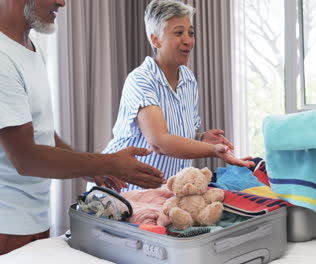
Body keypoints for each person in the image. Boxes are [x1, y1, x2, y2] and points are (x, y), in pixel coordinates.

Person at [0, 0, 166, 255]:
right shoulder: (2, 58)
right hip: (7, 225)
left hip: (34, 220)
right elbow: (25, 158)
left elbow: (42, 134)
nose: (62, 2)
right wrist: (107, 163)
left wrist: (91, 169)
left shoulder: (32, 50)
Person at [102, 0, 254, 191]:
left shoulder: (188, 80)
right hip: (122, 193)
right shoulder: (141, 80)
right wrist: (214, 151)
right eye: (178, 32)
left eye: (191, 33)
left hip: (162, 194)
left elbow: (179, 132)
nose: (188, 40)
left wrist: (200, 138)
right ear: (155, 39)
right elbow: (160, 142)